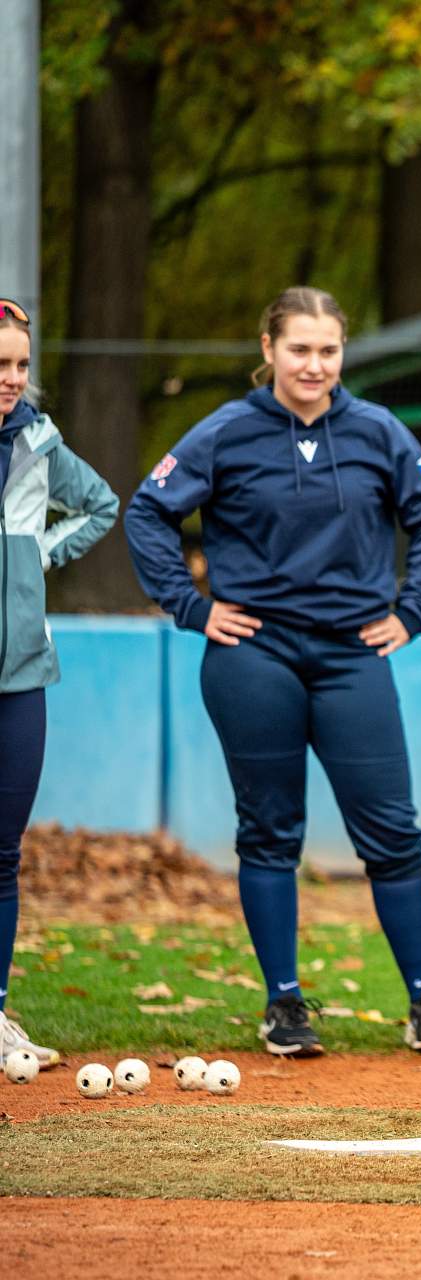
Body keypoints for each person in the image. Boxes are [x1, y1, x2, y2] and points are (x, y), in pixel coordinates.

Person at [125, 286, 421, 1057]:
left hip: (352, 654)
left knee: (393, 832)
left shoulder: (378, 431)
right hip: (255, 653)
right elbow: (148, 511)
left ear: (343, 353)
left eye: (328, 350)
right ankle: (283, 1005)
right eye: (299, 349)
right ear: (269, 349)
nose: (314, 365)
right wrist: (191, 605)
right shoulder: (226, 432)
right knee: (270, 832)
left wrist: (412, 611)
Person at [0, 297, 120, 1068]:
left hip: (21, 672)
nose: (12, 378)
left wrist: (33, 556)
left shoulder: (38, 442)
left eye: (20, 365)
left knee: (1, 855)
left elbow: (102, 506)